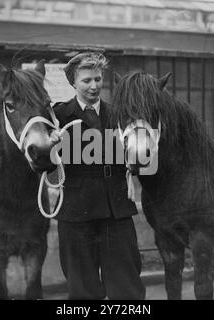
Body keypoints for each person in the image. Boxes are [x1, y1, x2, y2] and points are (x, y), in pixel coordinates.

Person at [53, 52, 145, 300]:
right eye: (86, 81)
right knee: (82, 288)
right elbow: (42, 165)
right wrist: (50, 145)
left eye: (97, 79)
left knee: (126, 286)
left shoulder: (120, 115)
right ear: (73, 82)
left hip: (116, 210)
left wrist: (139, 147)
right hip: (75, 213)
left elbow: (142, 163)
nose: (94, 86)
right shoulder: (57, 117)